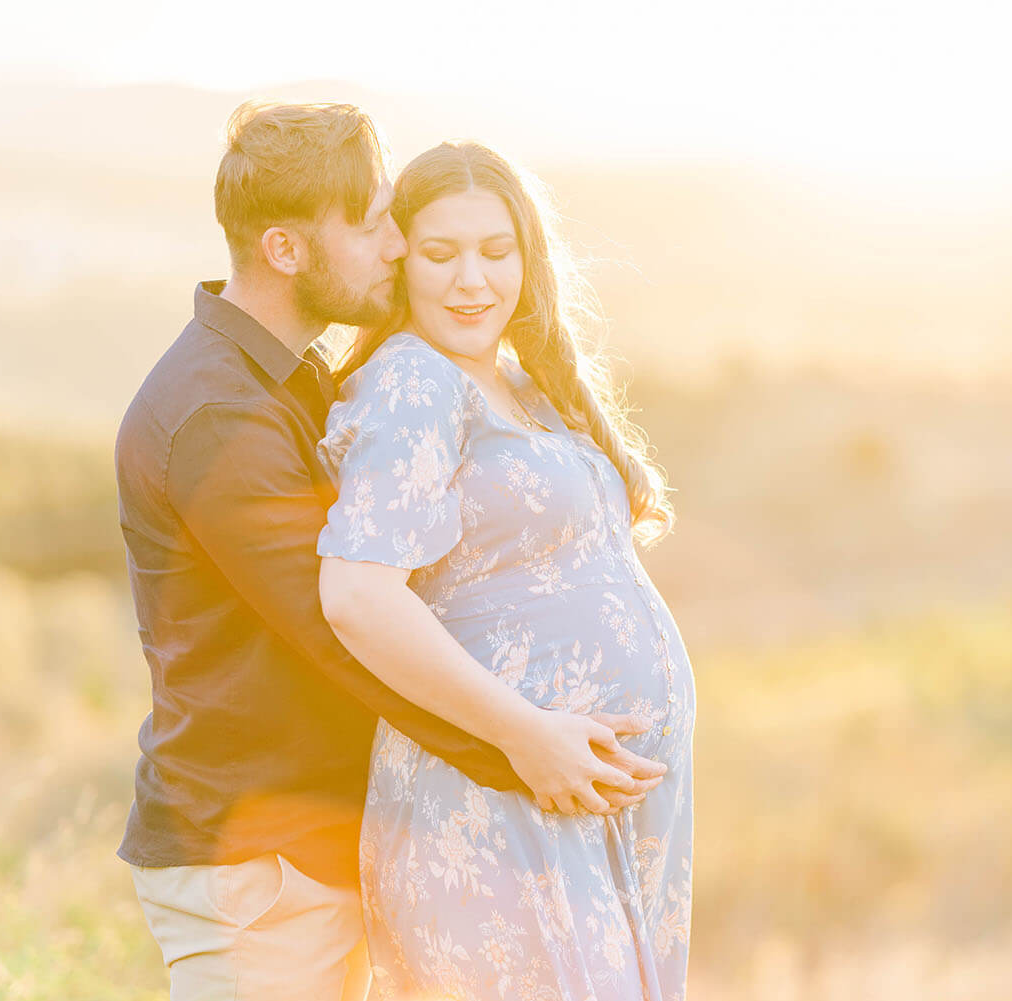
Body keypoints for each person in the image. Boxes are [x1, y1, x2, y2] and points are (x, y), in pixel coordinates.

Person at [114, 102, 666, 1001]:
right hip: (257, 859)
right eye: (373, 224)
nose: (398, 246)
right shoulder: (219, 413)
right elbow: (341, 620)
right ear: (287, 251)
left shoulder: (282, 378)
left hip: (299, 844)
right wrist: (525, 752)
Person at [316, 140, 695, 1000]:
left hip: (583, 814)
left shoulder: (522, 383)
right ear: (401, 259)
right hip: (500, 811)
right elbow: (358, 595)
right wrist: (527, 734)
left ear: (529, 256)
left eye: (496, 252)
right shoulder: (416, 379)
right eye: (441, 254)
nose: (471, 281)